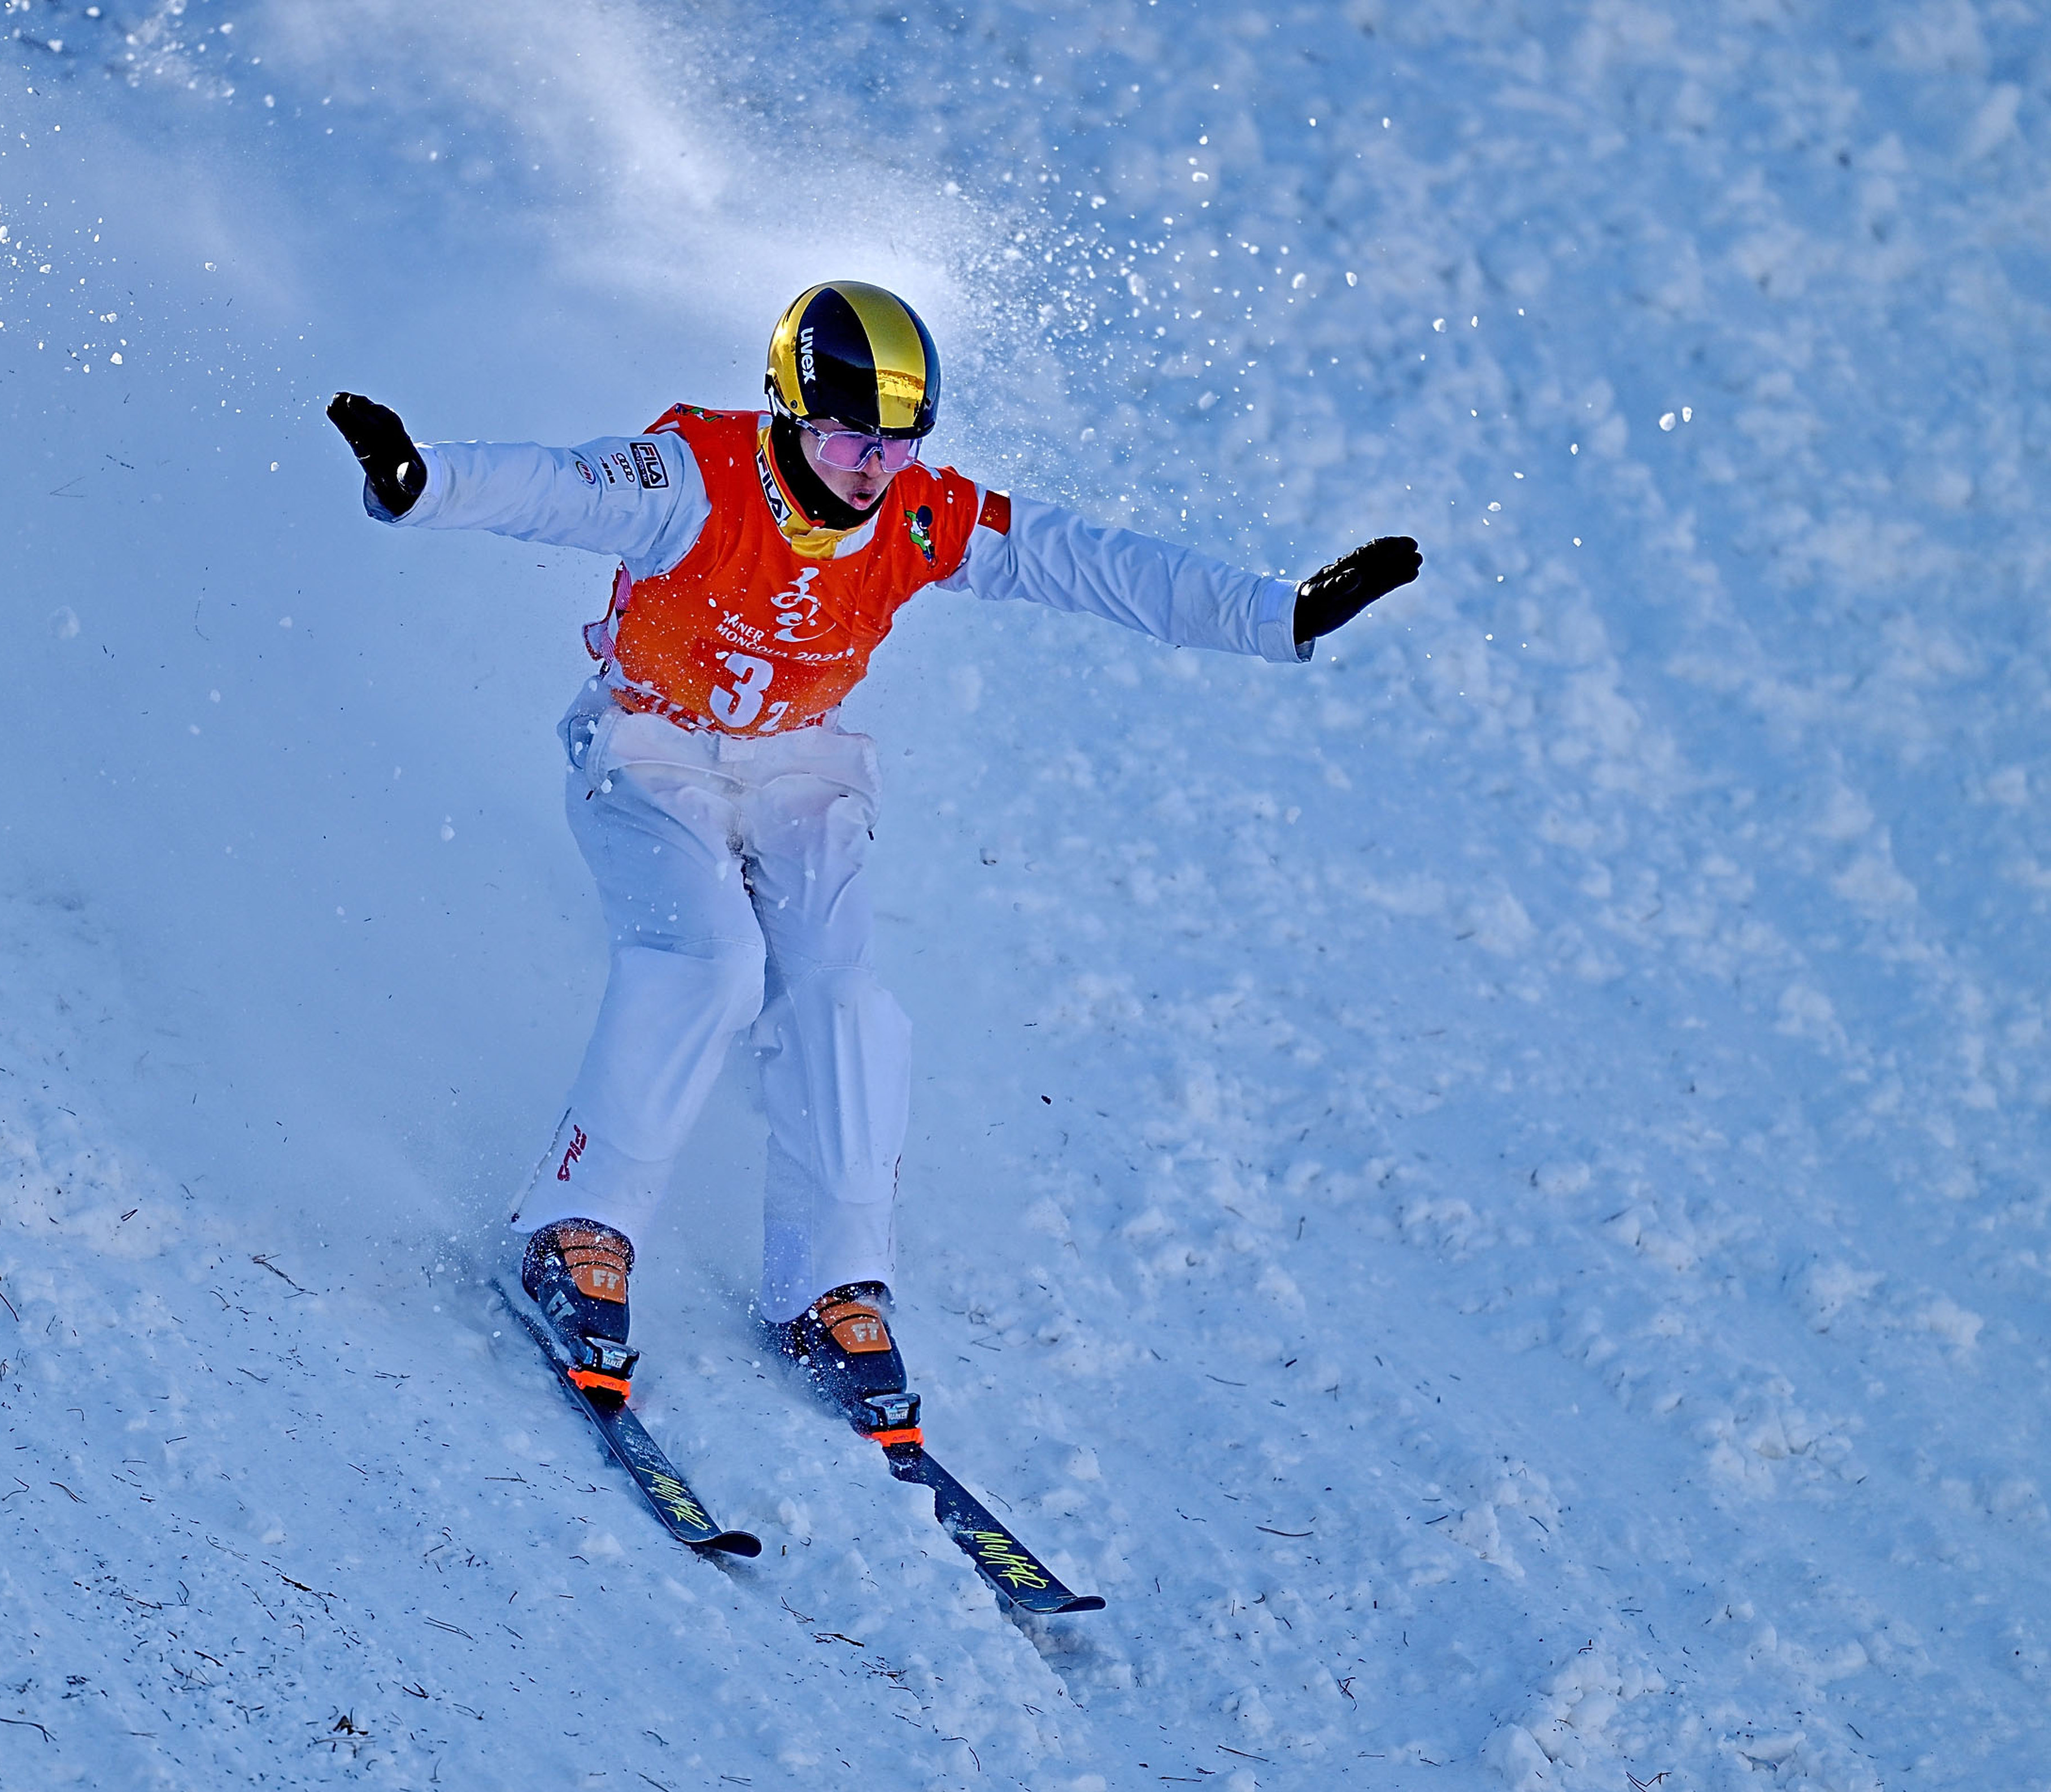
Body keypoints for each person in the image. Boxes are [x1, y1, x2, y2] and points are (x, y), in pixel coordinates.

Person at [328, 280, 1417, 1446]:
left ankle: (830, 1282)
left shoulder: (917, 516)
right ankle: (578, 1225)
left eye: (898, 443)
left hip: (799, 772)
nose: (872, 466)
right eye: (852, 437)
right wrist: (420, 479)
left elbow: (1089, 561)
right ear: (791, 412)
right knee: (707, 958)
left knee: (844, 996)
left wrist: (1275, 613)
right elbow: (560, 486)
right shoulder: (693, 474)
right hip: (650, 753)